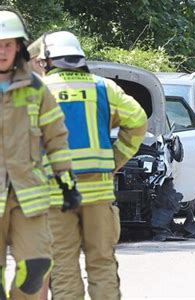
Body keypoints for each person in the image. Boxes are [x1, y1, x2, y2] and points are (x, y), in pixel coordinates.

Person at [39, 30, 147, 300]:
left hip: (55, 198)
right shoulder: (103, 87)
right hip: (98, 195)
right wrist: (116, 158)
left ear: (48, 61)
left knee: (63, 269)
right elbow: (137, 120)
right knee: (101, 265)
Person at [0, 8, 76, 299]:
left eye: (8, 44)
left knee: (36, 267)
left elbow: (55, 135)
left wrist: (65, 178)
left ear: (19, 46)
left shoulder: (36, 88)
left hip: (27, 196)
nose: (2, 51)